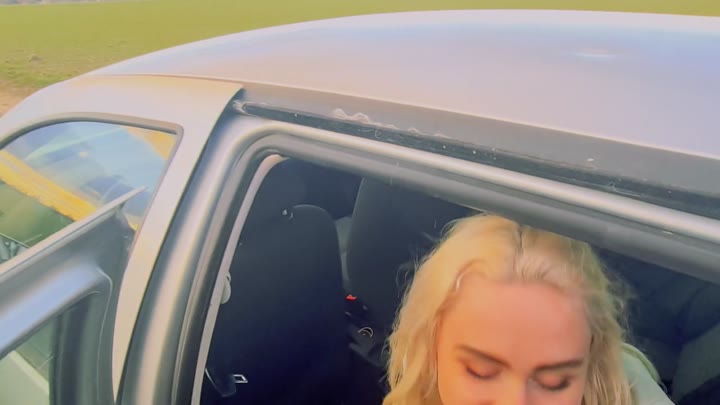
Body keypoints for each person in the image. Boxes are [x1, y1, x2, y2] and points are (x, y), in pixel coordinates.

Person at [384, 214, 673, 405]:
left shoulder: (629, 387)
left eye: (554, 383)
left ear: (592, 362)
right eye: (480, 372)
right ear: (430, 354)